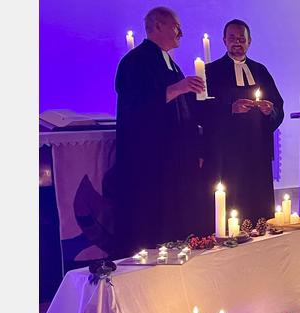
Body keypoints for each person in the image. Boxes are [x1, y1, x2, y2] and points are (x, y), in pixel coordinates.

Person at [106, 6, 206, 257]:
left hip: (173, 158)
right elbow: (135, 104)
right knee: (149, 220)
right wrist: (177, 88)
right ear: (158, 26)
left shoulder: (170, 63)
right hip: (148, 159)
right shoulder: (134, 62)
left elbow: (182, 109)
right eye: (177, 27)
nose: (181, 33)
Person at [204, 19, 284, 221]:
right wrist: (230, 108)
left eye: (242, 38)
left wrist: (269, 111)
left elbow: (278, 105)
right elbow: (201, 110)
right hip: (226, 151)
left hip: (257, 148)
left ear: (249, 42)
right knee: (232, 202)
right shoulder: (211, 71)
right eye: (232, 37)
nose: (237, 42)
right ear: (224, 40)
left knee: (259, 202)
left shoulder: (260, 70)